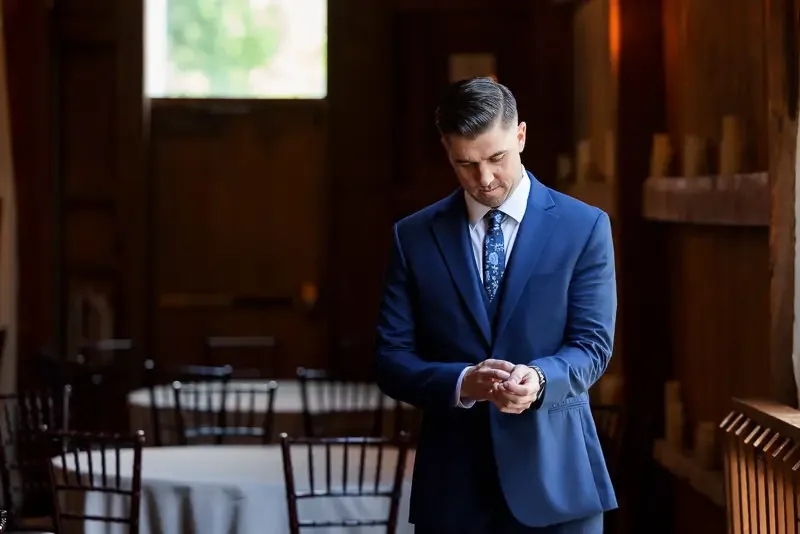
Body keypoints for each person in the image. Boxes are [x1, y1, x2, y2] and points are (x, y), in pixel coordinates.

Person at [373, 77, 618, 534]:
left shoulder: (584, 227)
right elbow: (390, 359)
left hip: (558, 481)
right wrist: (464, 382)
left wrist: (542, 379)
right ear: (447, 149)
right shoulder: (413, 237)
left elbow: (593, 346)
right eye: (465, 164)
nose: (484, 179)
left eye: (497, 158)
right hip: (452, 489)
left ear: (521, 135)